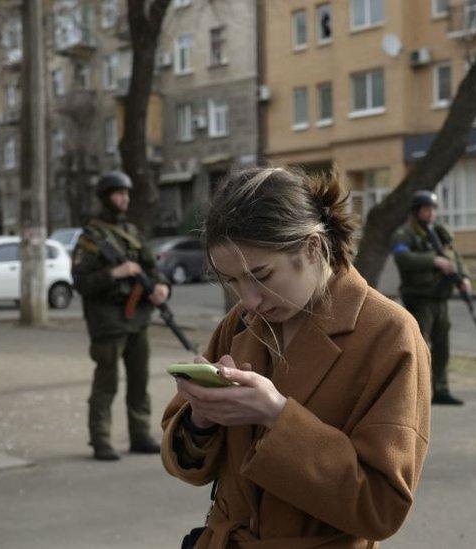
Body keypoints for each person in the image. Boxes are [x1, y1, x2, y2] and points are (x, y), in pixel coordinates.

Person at [161, 167, 431, 548]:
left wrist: (275, 414)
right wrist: (202, 416)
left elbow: (382, 507)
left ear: (313, 247)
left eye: (262, 275)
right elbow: (189, 466)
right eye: (232, 280)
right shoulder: (240, 324)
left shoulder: (389, 334)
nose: (248, 299)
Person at [72, 171, 170, 461]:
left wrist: (162, 287)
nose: (125, 198)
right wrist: (114, 273)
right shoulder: (91, 238)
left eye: (127, 193)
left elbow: (151, 268)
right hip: (107, 321)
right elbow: (81, 282)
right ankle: (100, 439)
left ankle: (140, 434)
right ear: (105, 197)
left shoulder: (132, 232)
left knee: (140, 380)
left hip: (138, 317)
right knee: (107, 382)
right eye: (118, 193)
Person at [390, 190, 471, 406]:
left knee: (442, 346)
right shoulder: (405, 234)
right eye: (427, 209)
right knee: (419, 347)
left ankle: (440, 389)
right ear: (417, 211)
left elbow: (455, 257)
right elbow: (402, 258)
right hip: (419, 298)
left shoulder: (440, 233)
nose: (431, 214)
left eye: (433, 209)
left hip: (440, 297)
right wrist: (433, 261)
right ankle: (417, 392)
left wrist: (463, 277)